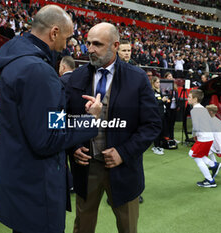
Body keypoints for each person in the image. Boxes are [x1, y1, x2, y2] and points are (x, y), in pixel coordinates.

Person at [0, 5, 102, 233]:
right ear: (54, 33)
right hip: (37, 190)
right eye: (67, 36)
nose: (69, 44)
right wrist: (90, 121)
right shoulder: (39, 71)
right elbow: (49, 139)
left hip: (19, 181)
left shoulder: (15, 62)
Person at [66, 22, 161, 233]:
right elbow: (64, 119)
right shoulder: (76, 77)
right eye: (88, 43)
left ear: (115, 45)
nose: (89, 49)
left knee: (127, 227)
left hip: (123, 168)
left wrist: (123, 152)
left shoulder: (137, 78)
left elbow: (152, 125)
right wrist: (73, 147)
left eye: (97, 44)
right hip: (86, 167)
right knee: (82, 227)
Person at [117, 39, 143, 203]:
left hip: (132, 119)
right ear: (117, 51)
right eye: (123, 50)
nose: (127, 53)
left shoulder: (135, 70)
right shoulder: (111, 69)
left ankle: (135, 192)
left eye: (129, 50)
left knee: (133, 159)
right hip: (116, 120)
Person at [187, 89, 221, 188]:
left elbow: (196, 127)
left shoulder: (195, 110)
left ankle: (210, 180)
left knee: (193, 155)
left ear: (195, 99)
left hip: (204, 138)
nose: (188, 99)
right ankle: (213, 165)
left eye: (189, 97)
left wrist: (195, 136)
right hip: (208, 137)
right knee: (198, 155)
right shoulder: (202, 108)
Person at [151, 76, 168, 155]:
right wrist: (162, 100)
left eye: (159, 82)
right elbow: (153, 104)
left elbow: (160, 103)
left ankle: (159, 145)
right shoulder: (152, 91)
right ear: (153, 83)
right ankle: (155, 146)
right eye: (157, 82)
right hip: (155, 114)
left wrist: (165, 101)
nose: (159, 84)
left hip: (161, 113)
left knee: (161, 130)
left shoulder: (159, 91)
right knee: (156, 131)